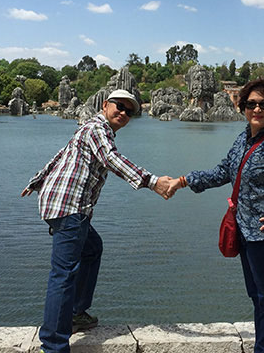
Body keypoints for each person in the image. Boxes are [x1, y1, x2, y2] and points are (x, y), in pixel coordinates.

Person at [167, 78, 264, 353]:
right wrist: (182, 181)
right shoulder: (243, 139)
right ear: (242, 107)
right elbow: (222, 172)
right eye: (251, 104)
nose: (257, 109)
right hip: (247, 233)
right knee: (259, 298)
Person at [21, 89, 172, 353]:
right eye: (120, 106)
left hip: (66, 206)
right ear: (105, 105)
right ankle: (54, 344)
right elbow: (111, 159)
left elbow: (62, 154)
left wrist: (37, 181)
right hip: (69, 207)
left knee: (92, 248)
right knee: (63, 274)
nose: (124, 113)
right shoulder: (97, 129)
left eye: (130, 111)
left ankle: (77, 313)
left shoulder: (90, 129)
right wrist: (152, 181)